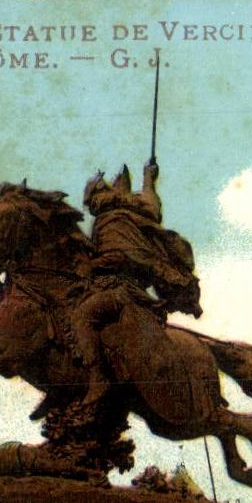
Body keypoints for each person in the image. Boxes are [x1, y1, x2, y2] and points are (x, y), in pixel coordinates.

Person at [71, 160, 202, 409]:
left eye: (94, 196)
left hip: (120, 289)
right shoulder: (137, 212)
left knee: (83, 317)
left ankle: (98, 377)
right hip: (114, 286)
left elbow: (121, 257)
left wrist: (92, 264)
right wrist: (148, 178)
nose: (91, 204)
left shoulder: (113, 219)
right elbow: (152, 204)